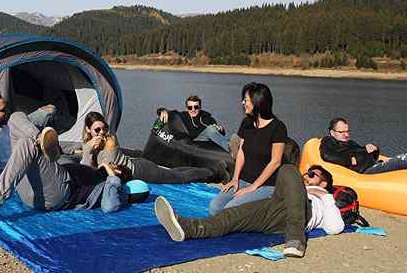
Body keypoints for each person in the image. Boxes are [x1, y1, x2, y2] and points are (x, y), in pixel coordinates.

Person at [0, 112, 140, 231]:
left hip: (60, 192)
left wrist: (112, 175)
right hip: (33, 189)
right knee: (15, 117)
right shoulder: (94, 168)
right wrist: (89, 151)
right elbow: (85, 165)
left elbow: (109, 207)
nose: (111, 164)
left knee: (28, 143)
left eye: (117, 167)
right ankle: (40, 137)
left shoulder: (113, 185)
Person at [154, 164, 344, 258]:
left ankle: (295, 240)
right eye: (307, 172)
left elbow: (335, 227)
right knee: (231, 216)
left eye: (312, 175)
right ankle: (188, 228)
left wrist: (326, 196)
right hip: (274, 208)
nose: (306, 175)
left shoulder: (323, 198)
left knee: (288, 168)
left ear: (325, 182)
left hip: (302, 213)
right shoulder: (299, 185)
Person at [209, 82, 288, 215]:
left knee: (230, 211)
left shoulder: (278, 127)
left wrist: (253, 187)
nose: (243, 103)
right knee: (214, 207)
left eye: (246, 100)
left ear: (258, 101)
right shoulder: (247, 123)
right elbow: (241, 151)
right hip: (243, 181)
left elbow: (275, 162)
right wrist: (235, 179)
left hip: (266, 185)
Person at [81, 112, 220, 184]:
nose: (102, 133)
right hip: (134, 165)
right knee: (173, 172)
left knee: (178, 177)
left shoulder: (110, 140)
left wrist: (89, 152)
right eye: (97, 130)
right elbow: (88, 168)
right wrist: (88, 149)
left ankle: (212, 172)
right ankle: (205, 170)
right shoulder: (88, 143)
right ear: (88, 130)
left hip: (141, 171)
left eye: (104, 128)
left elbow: (106, 172)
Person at [0, 91, 58, 180]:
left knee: (50, 109)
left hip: (15, 129)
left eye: (6, 107)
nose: (7, 111)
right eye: (3, 110)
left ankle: (40, 137)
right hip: (20, 151)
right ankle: (43, 140)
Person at [320, 117, 407, 174]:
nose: (346, 134)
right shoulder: (328, 141)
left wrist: (374, 149)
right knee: (404, 159)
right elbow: (327, 155)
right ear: (332, 132)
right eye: (342, 132)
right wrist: (349, 159)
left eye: (347, 131)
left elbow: (369, 155)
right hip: (367, 171)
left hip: (374, 164)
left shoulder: (350, 142)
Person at [157, 95, 228, 149]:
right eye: (190, 107)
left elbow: (220, 134)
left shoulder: (208, 117)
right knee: (211, 129)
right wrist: (163, 111)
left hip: (210, 143)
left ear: (200, 107)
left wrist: (221, 129)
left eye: (196, 107)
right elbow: (169, 112)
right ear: (187, 108)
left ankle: (233, 145)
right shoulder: (183, 116)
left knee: (214, 129)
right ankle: (230, 150)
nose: (193, 110)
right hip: (196, 142)